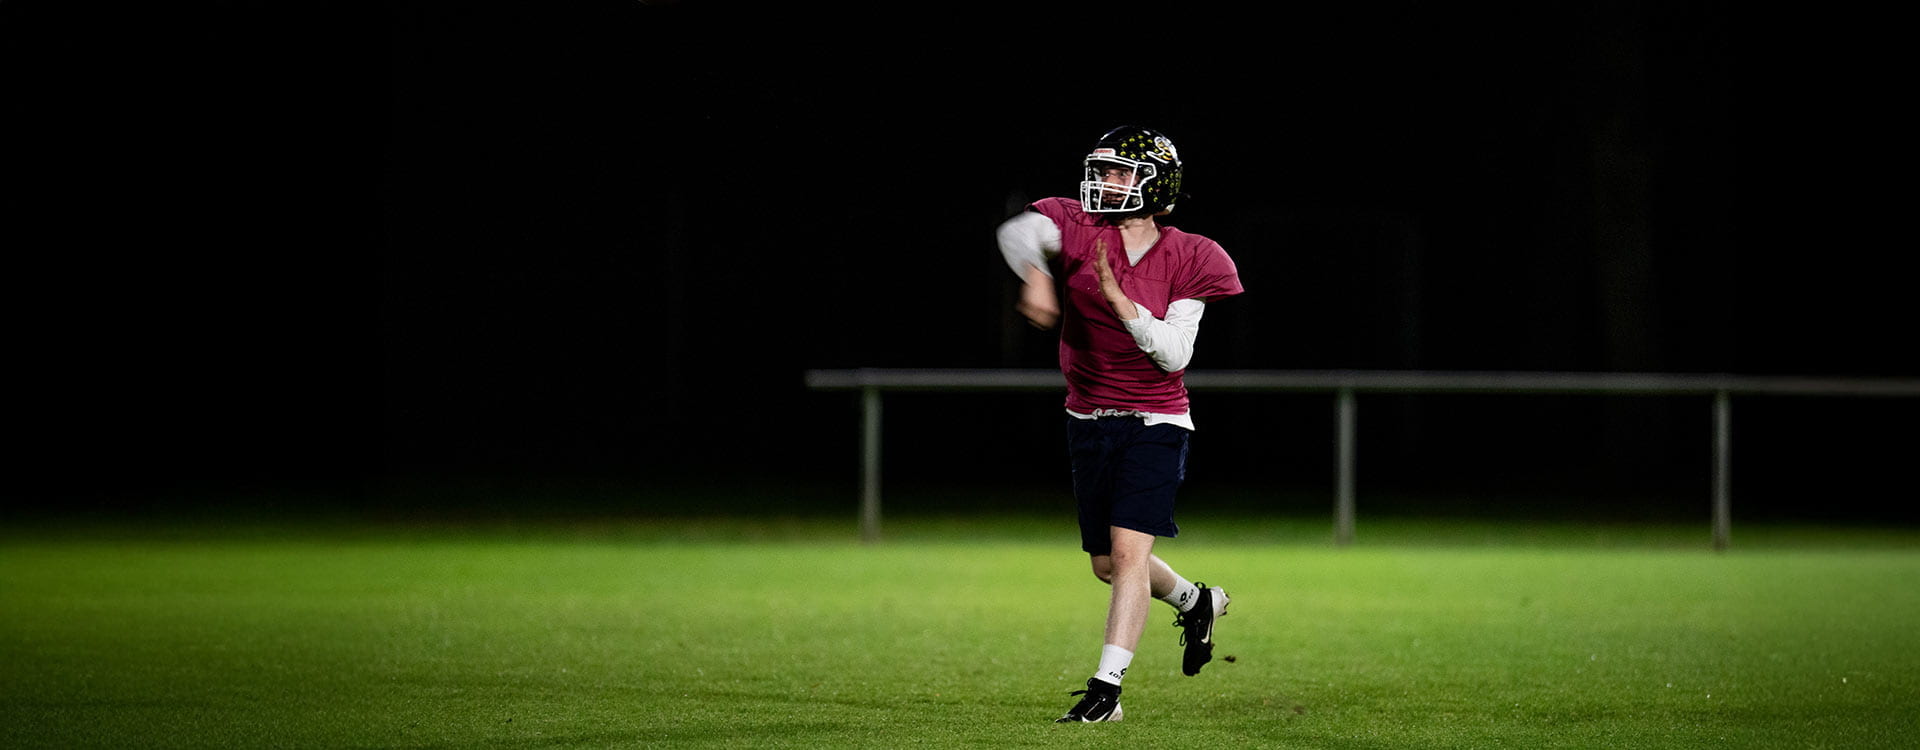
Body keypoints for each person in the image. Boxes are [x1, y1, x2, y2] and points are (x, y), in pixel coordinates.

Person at [996, 125, 1244, 723]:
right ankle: (1197, 600)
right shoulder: (1078, 223)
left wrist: (1121, 304)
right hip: (1087, 416)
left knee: (1129, 554)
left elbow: (1175, 354)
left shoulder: (1195, 254)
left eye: (1120, 172)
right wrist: (1034, 272)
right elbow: (1019, 231)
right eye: (1102, 170)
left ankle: (1106, 691)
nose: (1105, 182)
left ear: (1157, 184)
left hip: (1156, 418)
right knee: (1107, 564)